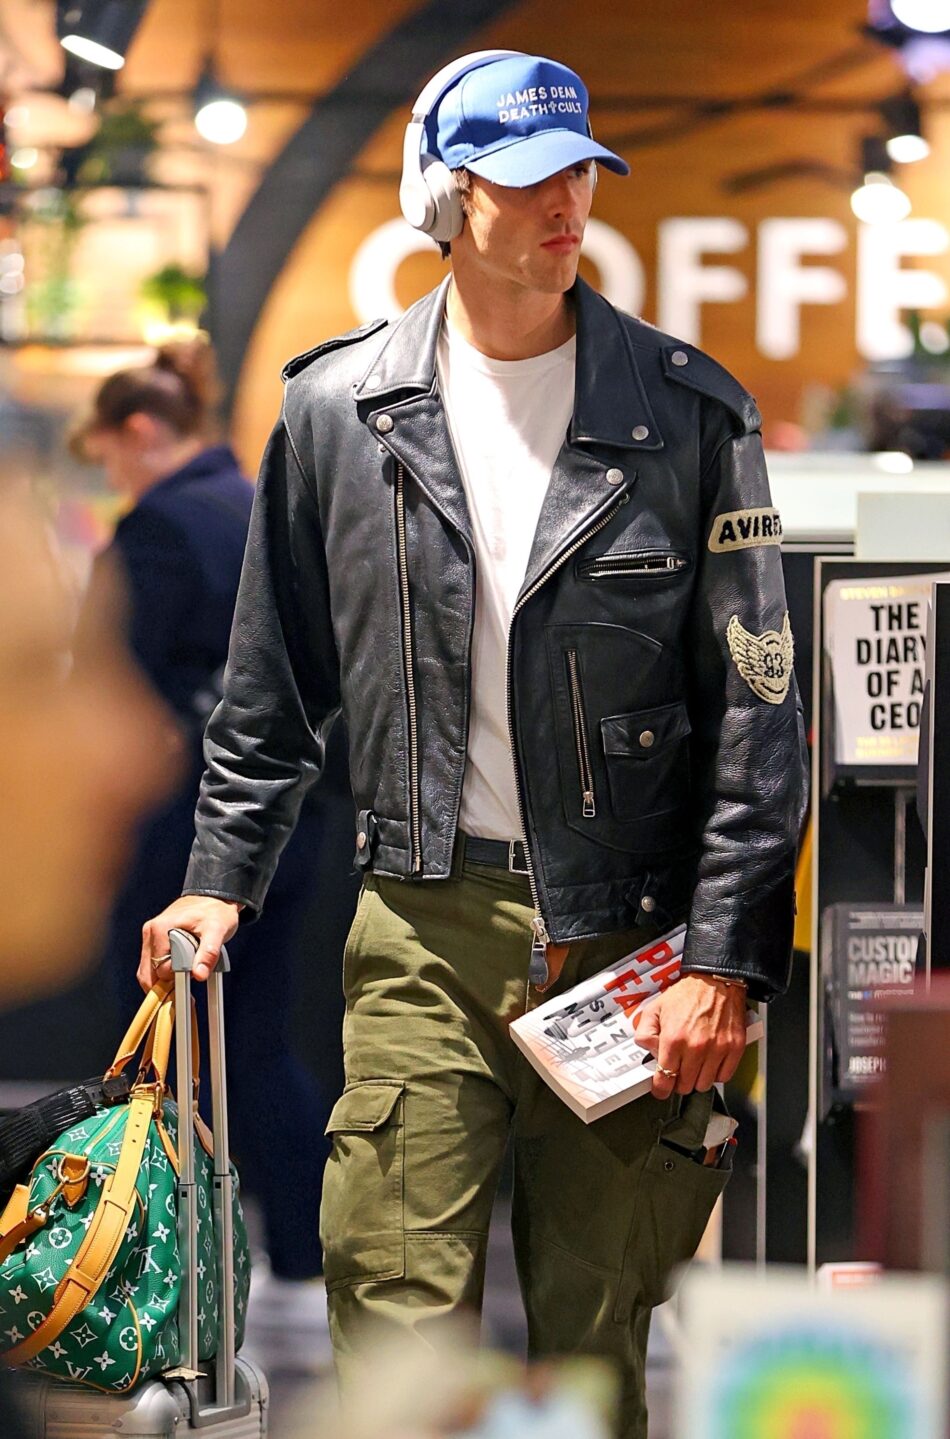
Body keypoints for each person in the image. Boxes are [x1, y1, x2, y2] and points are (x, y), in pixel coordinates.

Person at [140, 51, 808, 1436]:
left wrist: (725, 960)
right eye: (523, 176)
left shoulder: (686, 414)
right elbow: (268, 689)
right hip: (418, 926)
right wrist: (220, 874)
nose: (566, 201)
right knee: (391, 1329)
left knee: (597, 1340)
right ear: (441, 198)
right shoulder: (336, 413)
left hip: (630, 943)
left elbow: (758, 716)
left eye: (578, 169)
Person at [71, 344, 338, 1368]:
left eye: (108, 454)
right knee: (255, 1040)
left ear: (138, 432)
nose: (112, 474)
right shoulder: (249, 501)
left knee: (202, 1049)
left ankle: (254, 1254)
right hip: (293, 817)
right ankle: (299, 1250)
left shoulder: (161, 531)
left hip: (194, 835)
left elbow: (115, 685)